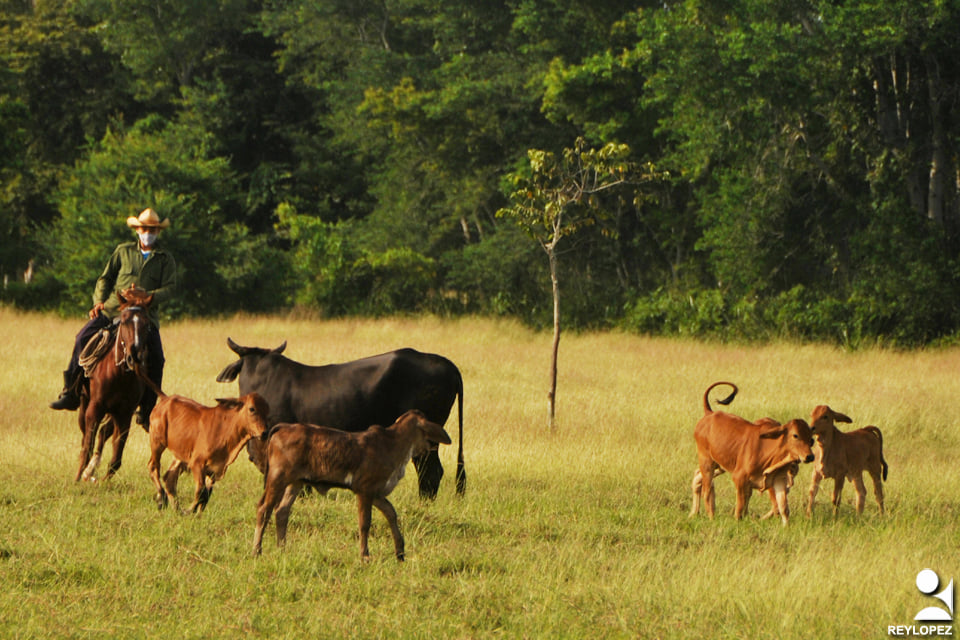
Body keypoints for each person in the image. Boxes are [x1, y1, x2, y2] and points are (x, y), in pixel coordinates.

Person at [50, 208, 177, 427]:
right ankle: (70, 391)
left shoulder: (165, 259)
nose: (148, 233)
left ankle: (146, 410)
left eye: (153, 229)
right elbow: (105, 278)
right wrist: (98, 301)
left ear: (158, 232)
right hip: (112, 311)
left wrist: (148, 296)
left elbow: (172, 288)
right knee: (82, 338)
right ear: (137, 230)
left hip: (143, 316)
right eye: (144, 228)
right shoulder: (123, 251)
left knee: (157, 358)